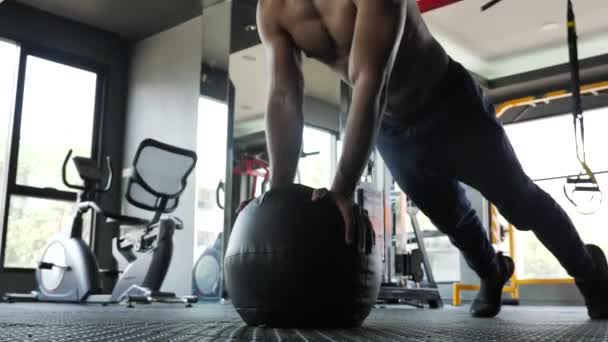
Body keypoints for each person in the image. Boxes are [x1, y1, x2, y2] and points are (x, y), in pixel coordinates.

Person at [255, 0, 608, 318]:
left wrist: (342, 189)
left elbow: (370, 80)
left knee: (521, 204)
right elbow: (284, 94)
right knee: (452, 219)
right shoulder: (272, 9)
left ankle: (591, 273)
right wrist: (277, 196)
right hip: (392, 129)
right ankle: (491, 272)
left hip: (451, 105)